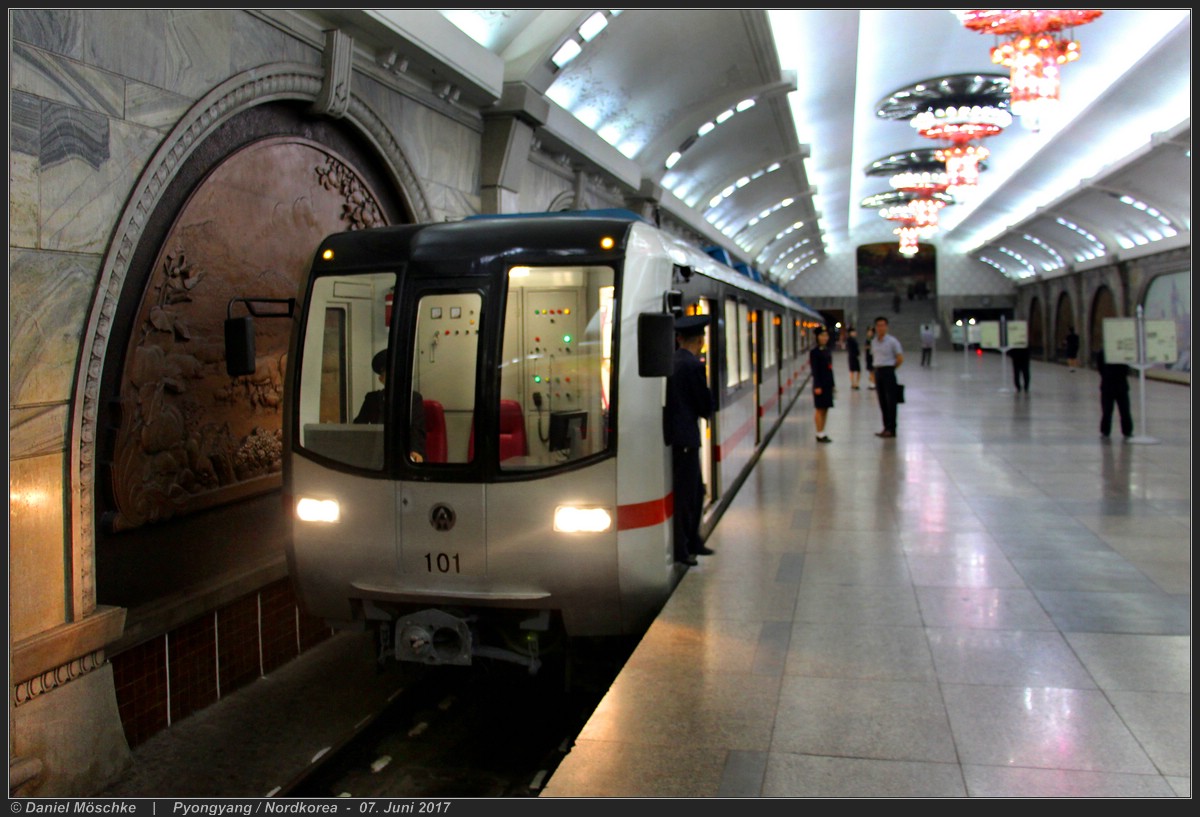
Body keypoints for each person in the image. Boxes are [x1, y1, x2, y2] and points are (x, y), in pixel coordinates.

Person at [664, 314, 715, 566]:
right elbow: (704, 404)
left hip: (677, 437)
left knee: (693, 492)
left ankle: (693, 542)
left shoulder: (672, 361)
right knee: (689, 495)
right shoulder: (693, 365)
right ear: (700, 340)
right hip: (687, 438)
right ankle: (683, 549)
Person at [354, 349, 427, 462]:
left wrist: (415, 451)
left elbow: (417, 430)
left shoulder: (414, 399)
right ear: (381, 379)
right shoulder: (372, 399)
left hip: (405, 454)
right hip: (376, 453)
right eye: (390, 375)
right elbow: (358, 426)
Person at [870, 315, 904, 438]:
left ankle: (892, 428)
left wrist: (891, 368)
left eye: (883, 325)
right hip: (878, 372)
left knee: (891, 401)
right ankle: (886, 427)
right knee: (882, 401)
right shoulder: (874, 341)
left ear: (887, 327)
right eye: (878, 326)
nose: (880, 328)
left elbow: (900, 358)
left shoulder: (892, 341)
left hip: (889, 371)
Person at [1097, 349, 1133, 440]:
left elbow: (1100, 368)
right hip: (1115, 385)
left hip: (1112, 385)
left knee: (1122, 410)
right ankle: (1123, 430)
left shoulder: (1117, 352)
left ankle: (1124, 430)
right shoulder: (1105, 352)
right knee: (1109, 411)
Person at [809, 326, 835, 443]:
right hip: (820, 384)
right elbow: (815, 370)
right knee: (820, 408)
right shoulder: (814, 352)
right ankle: (819, 433)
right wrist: (817, 386)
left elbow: (830, 368)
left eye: (826, 335)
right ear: (817, 337)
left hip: (827, 383)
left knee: (825, 408)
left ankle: (822, 431)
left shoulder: (826, 350)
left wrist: (833, 384)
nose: (825, 338)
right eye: (822, 335)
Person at [864, 325, 876, 390]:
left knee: (872, 371)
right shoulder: (867, 339)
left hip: (872, 357)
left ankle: (873, 383)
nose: (870, 333)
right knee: (870, 370)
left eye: (871, 332)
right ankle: (872, 383)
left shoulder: (874, 340)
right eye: (869, 331)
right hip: (868, 356)